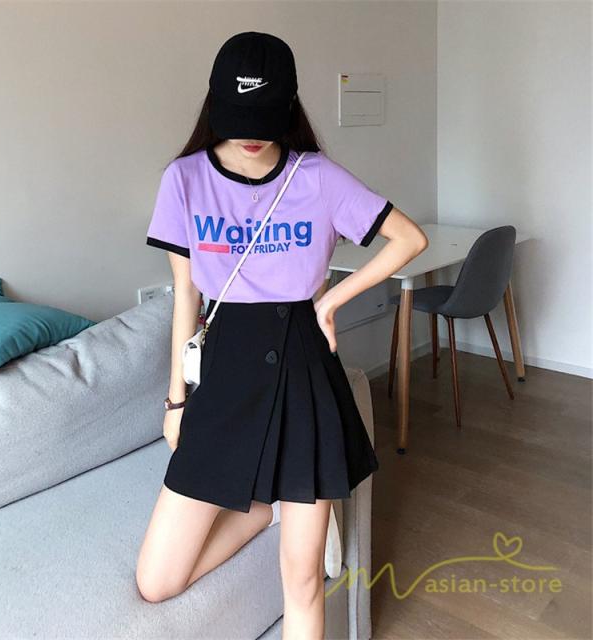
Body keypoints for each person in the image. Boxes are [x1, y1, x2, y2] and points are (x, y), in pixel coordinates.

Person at [136, 31, 428, 638]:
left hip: (302, 373)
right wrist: (176, 402)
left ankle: (279, 509)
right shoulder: (184, 179)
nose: (252, 135)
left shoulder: (316, 177)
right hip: (224, 374)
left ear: (289, 107)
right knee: (157, 580)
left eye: (265, 120)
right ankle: (263, 510)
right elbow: (186, 296)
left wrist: (333, 301)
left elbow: (409, 238)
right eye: (239, 119)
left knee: (302, 581)